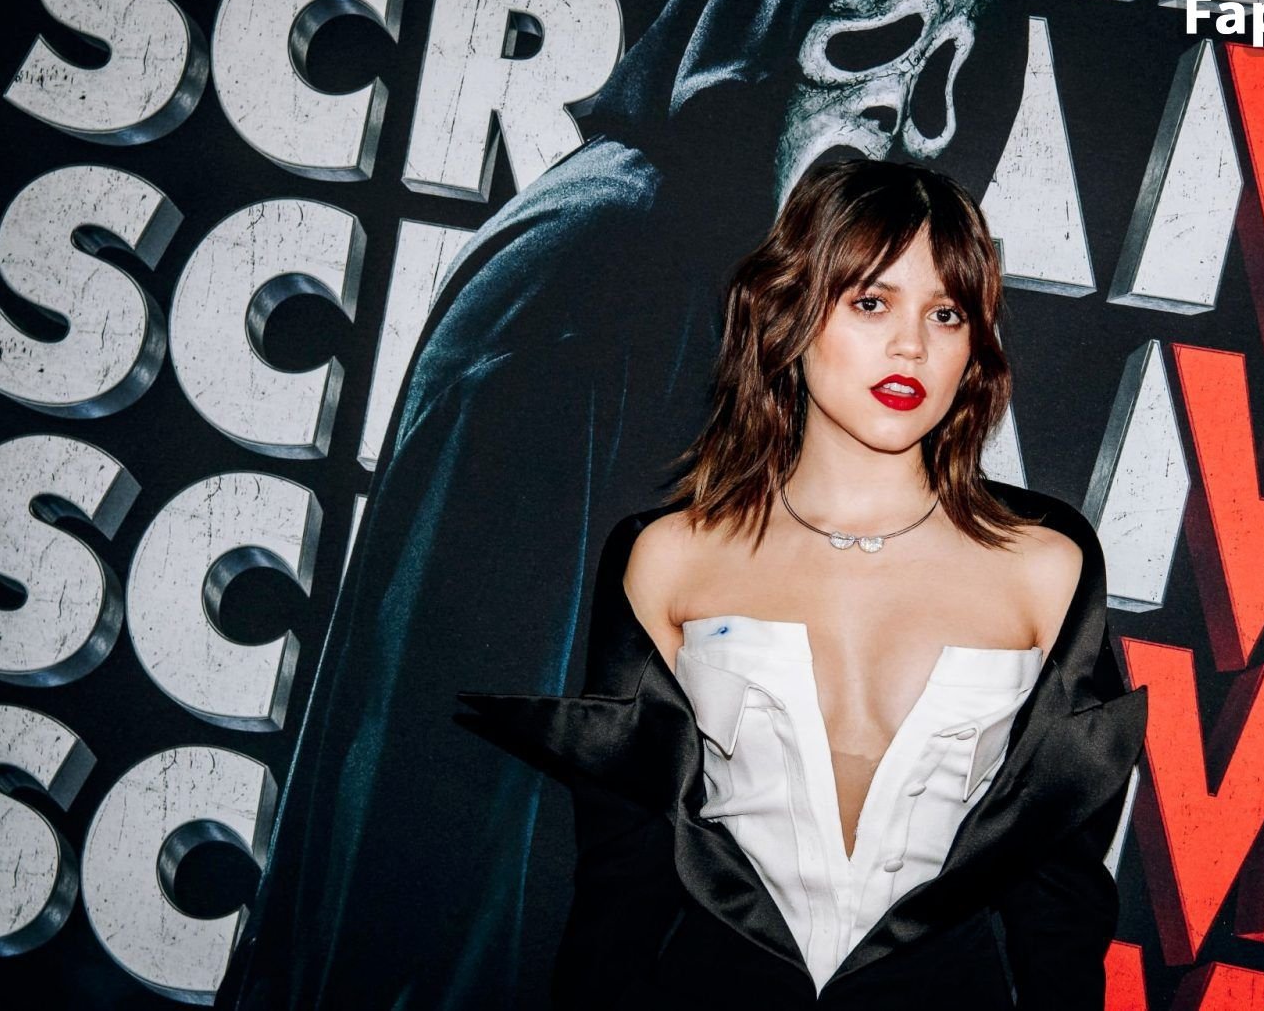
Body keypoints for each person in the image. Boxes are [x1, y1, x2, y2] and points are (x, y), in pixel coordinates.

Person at [216, 0, 1034, 1008]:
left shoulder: (758, 292)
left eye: (954, 80)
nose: (903, 116)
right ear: (765, 38)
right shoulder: (603, 257)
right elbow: (437, 727)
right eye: (869, 44)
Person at [456, 159, 1148, 1008]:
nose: (912, 346)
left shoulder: (1045, 566)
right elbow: (623, 882)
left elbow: (1060, 901)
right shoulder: (672, 558)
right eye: (870, 302)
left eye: (946, 313)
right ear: (789, 312)